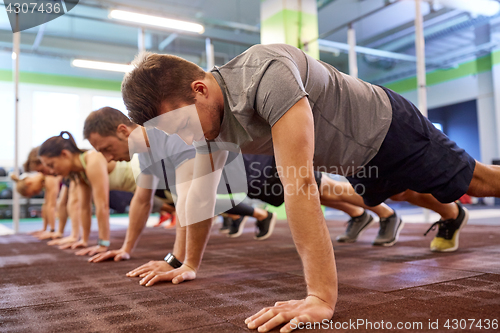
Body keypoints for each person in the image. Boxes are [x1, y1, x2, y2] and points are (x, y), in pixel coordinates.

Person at [121, 43, 497, 332]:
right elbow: (197, 192)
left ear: (199, 89)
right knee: (400, 192)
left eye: (182, 128)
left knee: (477, 182)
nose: (186, 140)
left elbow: (299, 185)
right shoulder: (197, 120)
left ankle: (454, 210)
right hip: (353, 159)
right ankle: (452, 214)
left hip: (386, 127)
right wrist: (183, 262)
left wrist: (319, 297)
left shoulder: (266, 74)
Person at [83, 107, 278, 267]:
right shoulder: (145, 153)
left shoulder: (167, 134)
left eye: (107, 149)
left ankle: (263, 216)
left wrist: (175, 261)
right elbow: (142, 201)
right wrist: (125, 249)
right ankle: (261, 216)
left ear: (123, 131)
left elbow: (187, 199)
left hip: (265, 169)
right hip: (247, 183)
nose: (107, 158)